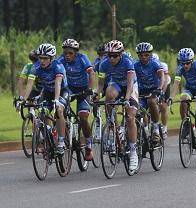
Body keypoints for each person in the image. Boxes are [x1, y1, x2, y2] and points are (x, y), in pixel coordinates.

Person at [96, 40, 139, 171]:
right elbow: (101, 84)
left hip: (131, 87)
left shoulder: (127, 62)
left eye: (115, 55)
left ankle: (133, 152)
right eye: (109, 55)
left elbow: (130, 83)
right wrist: (96, 95)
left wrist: (126, 99)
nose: (111, 58)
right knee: (109, 94)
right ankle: (112, 123)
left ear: (121, 54)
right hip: (117, 85)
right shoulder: (104, 64)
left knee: (130, 117)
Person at [21, 43, 69, 155]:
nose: (42, 61)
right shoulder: (35, 67)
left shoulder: (58, 66)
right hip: (47, 92)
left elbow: (58, 84)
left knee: (59, 110)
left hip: (62, 91)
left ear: (51, 58)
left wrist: (56, 100)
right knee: (42, 111)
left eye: (45, 58)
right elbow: (29, 84)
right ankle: (49, 135)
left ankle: (61, 142)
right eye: (40, 58)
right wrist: (23, 99)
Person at [169, 48, 196, 157]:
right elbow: (176, 84)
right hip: (190, 89)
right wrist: (171, 97)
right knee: (183, 99)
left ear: (191, 61)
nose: (185, 66)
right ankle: (187, 124)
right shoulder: (180, 69)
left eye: (187, 63)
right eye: (182, 63)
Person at [58, 38, 96, 161]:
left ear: (76, 53)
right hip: (69, 89)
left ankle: (89, 145)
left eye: (70, 53)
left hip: (83, 90)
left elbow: (91, 73)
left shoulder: (82, 58)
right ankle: (64, 135)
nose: (67, 55)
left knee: (83, 117)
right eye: (65, 53)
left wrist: (90, 89)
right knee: (60, 110)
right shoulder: (61, 60)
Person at [134, 42, 164, 140]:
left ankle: (155, 128)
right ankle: (144, 131)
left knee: (151, 102)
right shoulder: (135, 65)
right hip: (141, 91)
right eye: (141, 55)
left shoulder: (155, 63)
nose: (143, 57)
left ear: (150, 54)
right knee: (138, 109)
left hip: (154, 90)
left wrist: (159, 89)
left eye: (146, 55)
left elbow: (162, 77)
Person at [152, 53, 171, 140]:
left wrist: (162, 93)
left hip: (164, 85)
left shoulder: (163, 65)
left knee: (163, 106)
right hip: (153, 85)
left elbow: (166, 80)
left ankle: (164, 128)